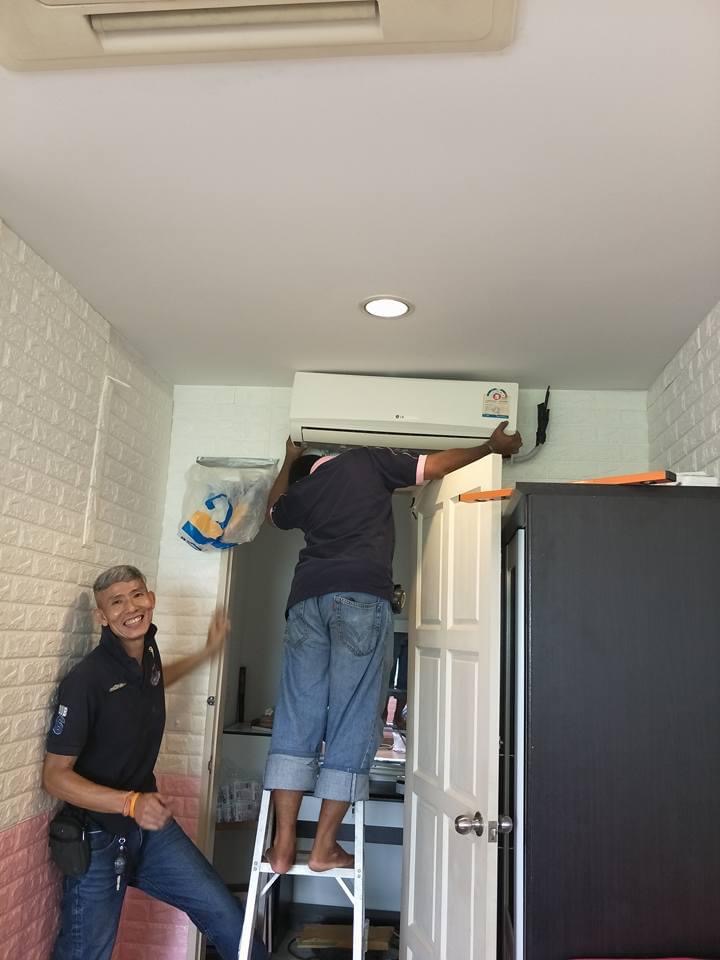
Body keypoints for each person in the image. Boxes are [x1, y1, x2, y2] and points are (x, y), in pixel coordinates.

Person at [263, 421, 522, 874]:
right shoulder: (364, 460)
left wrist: (287, 459)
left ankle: (282, 846)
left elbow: (273, 511)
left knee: (296, 716)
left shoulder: (302, 493)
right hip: (360, 595)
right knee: (353, 716)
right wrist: (490, 446)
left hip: (305, 601)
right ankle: (323, 847)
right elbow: (435, 466)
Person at [43, 564, 267, 960]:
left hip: (148, 830)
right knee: (87, 954)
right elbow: (55, 778)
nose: (131, 607)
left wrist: (206, 653)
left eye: (137, 595)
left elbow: (154, 680)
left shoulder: (146, 652)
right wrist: (131, 803)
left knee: (230, 918)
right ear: (101, 616)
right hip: (98, 836)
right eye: (116, 602)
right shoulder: (86, 681)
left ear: (151, 599)